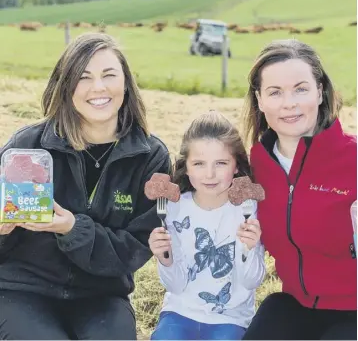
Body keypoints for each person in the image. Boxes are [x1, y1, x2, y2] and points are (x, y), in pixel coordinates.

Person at [0, 33, 171, 340]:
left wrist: (72, 229)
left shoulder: (151, 157)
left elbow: (138, 246)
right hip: (22, 290)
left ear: (126, 84)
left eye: (109, 75)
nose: (98, 87)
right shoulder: (26, 146)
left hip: (102, 294)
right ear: (66, 86)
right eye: (83, 77)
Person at [242, 39, 357, 340]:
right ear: (259, 99)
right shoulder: (255, 164)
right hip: (294, 304)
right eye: (275, 92)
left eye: (301, 89)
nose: (289, 103)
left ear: (320, 92)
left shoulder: (353, 161)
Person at [148, 111, 266, 340]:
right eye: (199, 163)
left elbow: (252, 281)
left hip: (230, 317)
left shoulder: (247, 209)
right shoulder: (174, 209)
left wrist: (248, 249)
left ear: (236, 166)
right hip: (180, 312)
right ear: (187, 166)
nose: (210, 174)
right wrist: (165, 258)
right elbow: (175, 285)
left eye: (221, 163)